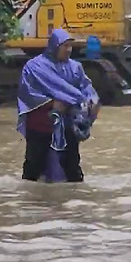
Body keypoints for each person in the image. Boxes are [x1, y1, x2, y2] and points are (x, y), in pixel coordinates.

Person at [16, 29, 100, 182]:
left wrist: (92, 102)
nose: (68, 50)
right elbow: (27, 92)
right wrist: (51, 103)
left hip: (68, 124)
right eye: (65, 46)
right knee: (33, 167)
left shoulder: (75, 67)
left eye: (70, 46)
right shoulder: (34, 67)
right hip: (42, 125)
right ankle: (29, 199)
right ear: (54, 46)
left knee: (72, 168)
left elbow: (86, 89)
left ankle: (73, 200)